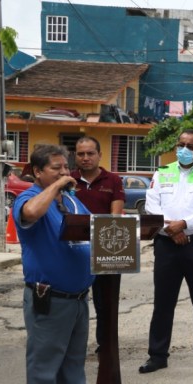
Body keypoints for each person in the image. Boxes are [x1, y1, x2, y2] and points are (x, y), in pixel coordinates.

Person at [14, 145, 94, 384]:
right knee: (45, 358)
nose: (64, 172)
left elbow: (94, 228)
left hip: (78, 296)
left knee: (74, 357)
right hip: (49, 296)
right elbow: (31, 213)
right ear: (37, 172)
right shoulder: (29, 197)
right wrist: (58, 186)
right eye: (56, 168)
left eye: (65, 167)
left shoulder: (72, 201)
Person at [140, 130, 193, 375]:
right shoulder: (162, 172)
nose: (183, 149)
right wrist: (171, 228)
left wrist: (184, 224)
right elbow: (151, 205)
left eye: (190, 146)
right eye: (181, 144)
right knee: (163, 302)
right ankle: (157, 355)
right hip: (166, 245)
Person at [70, 136, 125, 352]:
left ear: (99, 155)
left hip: (106, 247)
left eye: (90, 153)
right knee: (72, 300)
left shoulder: (113, 180)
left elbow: (116, 215)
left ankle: (106, 345)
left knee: (106, 303)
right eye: (81, 154)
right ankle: (73, 344)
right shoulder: (68, 180)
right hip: (74, 249)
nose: (85, 158)